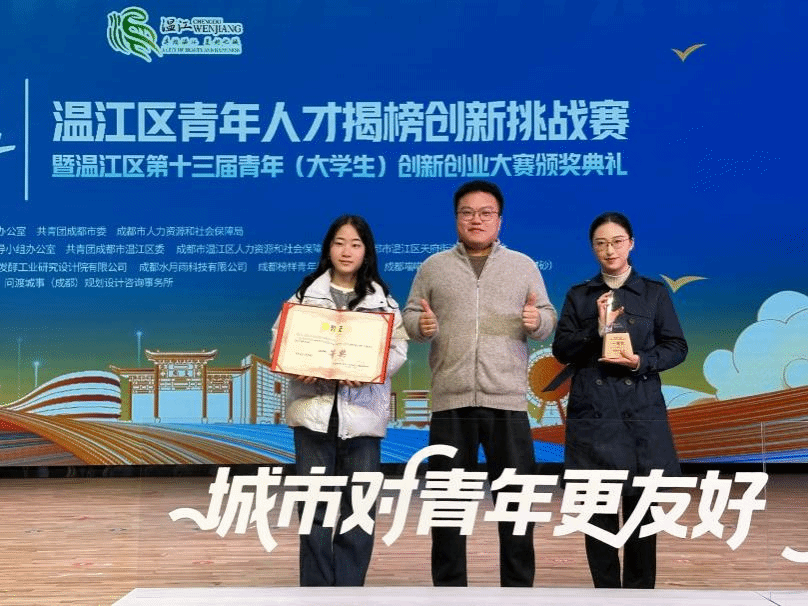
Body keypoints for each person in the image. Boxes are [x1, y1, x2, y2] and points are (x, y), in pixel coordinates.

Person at [402, 180, 557, 587]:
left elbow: (547, 316)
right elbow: (409, 317)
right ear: (456, 218)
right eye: (467, 212)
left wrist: (537, 321)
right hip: (451, 402)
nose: (476, 220)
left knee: (517, 503)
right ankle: (449, 591)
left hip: (507, 402)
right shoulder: (433, 266)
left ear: (499, 220)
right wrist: (420, 325)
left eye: (485, 213)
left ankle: (518, 591)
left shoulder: (523, 265)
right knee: (448, 506)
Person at [551, 211, 687, 589]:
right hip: (595, 413)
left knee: (642, 513)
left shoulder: (654, 293)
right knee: (598, 515)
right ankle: (605, 593)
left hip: (639, 411)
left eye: (616, 242)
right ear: (593, 248)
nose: (609, 250)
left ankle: (640, 594)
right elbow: (562, 350)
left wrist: (641, 361)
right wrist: (596, 330)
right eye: (601, 243)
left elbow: (677, 346)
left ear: (631, 244)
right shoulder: (579, 295)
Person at [271, 214, 407, 586]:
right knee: (314, 506)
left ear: (366, 252)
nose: (347, 251)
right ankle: (316, 589)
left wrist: (371, 370)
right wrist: (295, 365)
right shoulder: (303, 296)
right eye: (339, 243)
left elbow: (398, 349)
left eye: (355, 244)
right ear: (328, 248)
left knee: (359, 506)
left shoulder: (383, 301)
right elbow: (279, 341)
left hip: (362, 418)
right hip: (313, 416)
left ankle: (349, 588)